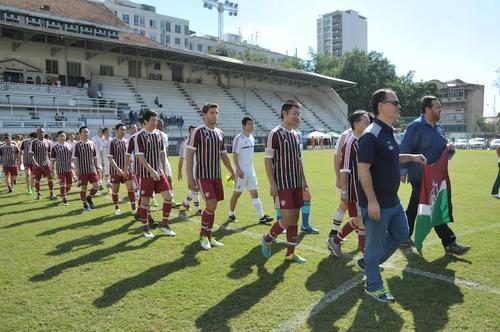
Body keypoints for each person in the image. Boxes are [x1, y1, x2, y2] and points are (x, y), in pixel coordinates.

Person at [357, 88, 426, 302]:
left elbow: (392, 157)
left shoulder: (387, 131)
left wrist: (412, 157)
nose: (399, 106)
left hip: (392, 200)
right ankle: (373, 285)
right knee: (374, 246)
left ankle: (369, 263)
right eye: (394, 103)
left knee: (402, 232)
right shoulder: (371, 134)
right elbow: (363, 170)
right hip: (377, 203)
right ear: (381, 106)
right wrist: (372, 202)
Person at [400, 96, 470, 255]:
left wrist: (450, 149)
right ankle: (449, 241)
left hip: (435, 178)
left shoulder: (439, 129)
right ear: (427, 109)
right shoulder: (415, 126)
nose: (440, 110)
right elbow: (404, 149)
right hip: (419, 176)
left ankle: (403, 236)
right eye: (438, 107)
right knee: (433, 208)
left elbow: (443, 151)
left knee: (413, 208)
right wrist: (402, 172)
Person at [261, 100, 310, 264]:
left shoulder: (296, 135)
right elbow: (267, 160)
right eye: (295, 113)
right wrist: (272, 184)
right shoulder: (275, 133)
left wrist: (305, 183)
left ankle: (290, 253)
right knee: (288, 218)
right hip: (282, 185)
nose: (298, 116)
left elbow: (299, 160)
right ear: (285, 114)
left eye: (299, 113)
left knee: (295, 218)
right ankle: (267, 238)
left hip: (296, 184)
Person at [186, 102, 235, 250]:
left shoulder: (219, 132)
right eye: (212, 113)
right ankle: (203, 235)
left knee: (213, 207)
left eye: (216, 112)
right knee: (211, 204)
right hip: (203, 175)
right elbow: (189, 155)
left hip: (216, 176)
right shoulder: (198, 132)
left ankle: (209, 235)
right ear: (204, 115)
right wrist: (190, 177)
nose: (215, 115)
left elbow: (223, 154)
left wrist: (233, 170)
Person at [327, 110, 371, 257]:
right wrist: (344, 190)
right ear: (356, 124)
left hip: (365, 186)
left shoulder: (365, 139)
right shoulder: (350, 142)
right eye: (366, 122)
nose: (368, 124)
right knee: (361, 219)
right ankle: (366, 256)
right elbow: (345, 168)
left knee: (360, 219)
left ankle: (336, 240)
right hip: (355, 188)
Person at [134, 109, 176, 238]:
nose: (155, 122)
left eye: (156, 120)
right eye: (153, 120)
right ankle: (146, 228)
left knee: (168, 197)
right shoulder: (139, 136)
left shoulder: (159, 134)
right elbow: (140, 157)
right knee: (145, 201)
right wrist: (151, 171)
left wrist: (164, 169)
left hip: (159, 173)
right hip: (146, 174)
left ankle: (164, 224)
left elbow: (162, 152)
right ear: (146, 121)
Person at [227, 117, 273, 224]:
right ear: (243, 126)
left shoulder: (252, 137)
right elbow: (234, 155)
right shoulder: (239, 138)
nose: (252, 126)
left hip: (251, 170)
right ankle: (231, 214)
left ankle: (262, 217)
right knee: (237, 194)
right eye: (249, 124)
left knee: (255, 193)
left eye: (252, 124)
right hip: (241, 171)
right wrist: (238, 170)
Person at [108, 123, 137, 215]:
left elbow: (129, 157)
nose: (123, 131)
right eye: (121, 129)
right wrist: (118, 169)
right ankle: (117, 208)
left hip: (126, 170)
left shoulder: (127, 142)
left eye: (125, 130)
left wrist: (126, 169)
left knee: (131, 189)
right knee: (115, 191)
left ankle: (134, 209)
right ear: (116, 130)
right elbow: (110, 158)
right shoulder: (112, 142)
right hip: (115, 171)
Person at [72, 126, 100, 211]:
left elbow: (94, 156)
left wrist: (96, 166)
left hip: (92, 169)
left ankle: (89, 198)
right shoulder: (77, 145)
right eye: (84, 132)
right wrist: (77, 169)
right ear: (80, 134)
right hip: (82, 170)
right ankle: (84, 204)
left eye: (87, 132)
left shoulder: (92, 143)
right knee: (84, 188)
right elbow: (75, 158)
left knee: (96, 186)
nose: (86, 133)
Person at [155, 119, 181, 208]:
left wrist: (168, 161)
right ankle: (147, 200)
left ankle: (171, 200)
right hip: (155, 162)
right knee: (153, 182)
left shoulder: (165, 135)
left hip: (165, 161)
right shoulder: (152, 135)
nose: (159, 127)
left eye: (161, 126)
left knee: (169, 179)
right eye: (158, 125)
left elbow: (166, 150)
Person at [178, 125, 202, 215]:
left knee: (196, 189)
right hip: (191, 169)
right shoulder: (185, 143)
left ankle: (186, 202)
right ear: (189, 132)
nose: (193, 132)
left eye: (195, 131)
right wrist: (179, 171)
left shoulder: (199, 142)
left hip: (199, 168)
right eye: (192, 131)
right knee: (195, 189)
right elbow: (181, 158)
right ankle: (198, 209)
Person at [29, 128, 56, 200]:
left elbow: (50, 153)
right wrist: (35, 162)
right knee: (37, 180)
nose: (42, 133)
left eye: (43, 132)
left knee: (50, 178)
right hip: (37, 164)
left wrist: (51, 163)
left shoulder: (48, 142)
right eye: (40, 132)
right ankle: (38, 194)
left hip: (47, 163)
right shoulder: (33, 142)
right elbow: (31, 154)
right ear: (37, 133)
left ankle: (52, 194)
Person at [50, 131, 73, 206]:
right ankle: (64, 199)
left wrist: (73, 165)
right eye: (61, 136)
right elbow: (52, 160)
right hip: (60, 169)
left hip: (68, 168)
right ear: (57, 137)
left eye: (64, 136)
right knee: (63, 184)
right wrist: (52, 170)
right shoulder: (55, 148)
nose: (63, 137)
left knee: (69, 184)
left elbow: (72, 158)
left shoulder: (69, 146)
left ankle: (63, 194)